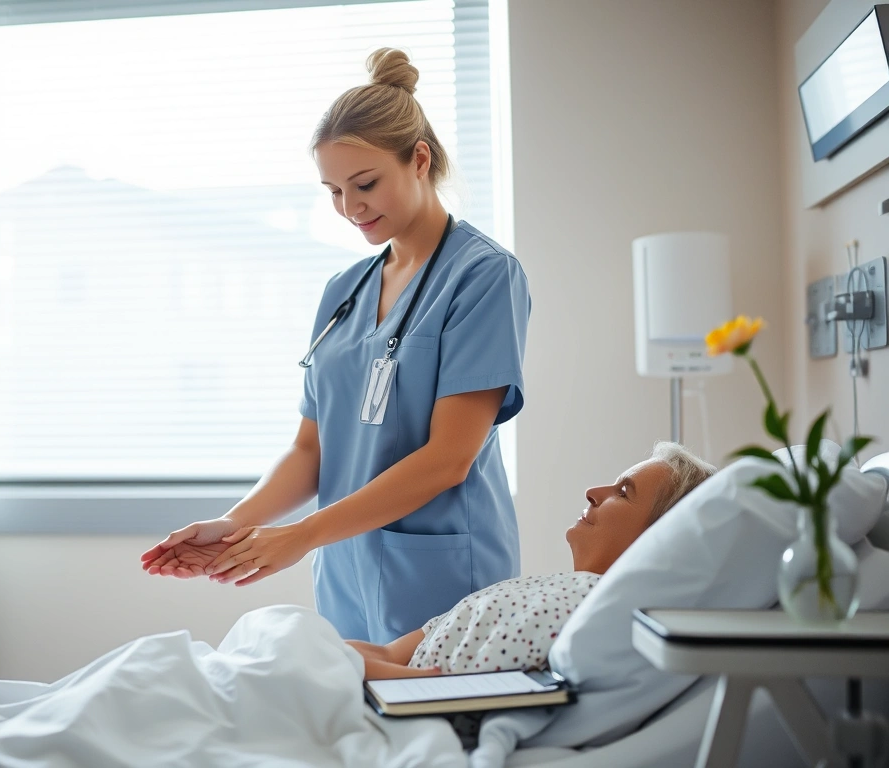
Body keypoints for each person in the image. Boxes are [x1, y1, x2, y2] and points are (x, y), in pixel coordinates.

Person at [140, 47, 533, 644]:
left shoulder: (482, 276)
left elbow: (450, 457)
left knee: (438, 728)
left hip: (444, 571)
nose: (351, 209)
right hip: (345, 570)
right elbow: (310, 450)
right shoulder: (343, 291)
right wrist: (234, 524)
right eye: (332, 191)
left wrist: (301, 535)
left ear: (419, 159)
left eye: (365, 184)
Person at [347, 442, 717, 680]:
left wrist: (337, 667)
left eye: (623, 492)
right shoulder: (544, 592)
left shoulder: (600, 612)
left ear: (661, 537)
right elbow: (387, 654)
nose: (592, 493)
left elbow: (445, 686)